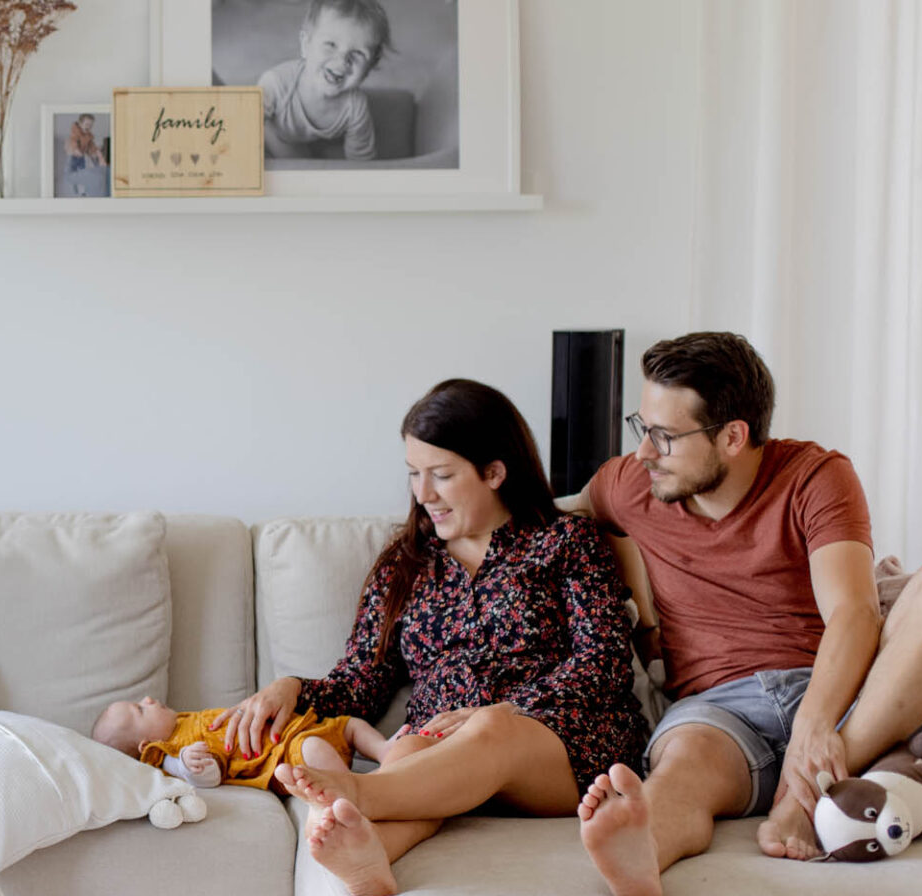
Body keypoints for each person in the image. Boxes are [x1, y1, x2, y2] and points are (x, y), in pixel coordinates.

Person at [564, 332, 922, 894]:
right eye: (642, 426)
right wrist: (645, 625)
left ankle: (805, 791)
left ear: (733, 436)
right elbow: (552, 520)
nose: (643, 452)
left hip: (842, 699)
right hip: (718, 710)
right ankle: (642, 847)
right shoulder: (631, 485)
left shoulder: (815, 475)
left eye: (664, 436)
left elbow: (853, 614)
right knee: (681, 771)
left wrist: (814, 726)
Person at [219, 379, 648, 896]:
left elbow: (603, 662)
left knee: (490, 728)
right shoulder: (405, 565)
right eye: (414, 475)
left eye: (441, 475)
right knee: (407, 751)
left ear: (494, 472)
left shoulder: (566, 544)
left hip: (557, 745)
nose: (423, 495)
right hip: (439, 756)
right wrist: (291, 687)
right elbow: (363, 682)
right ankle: (369, 859)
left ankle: (359, 791)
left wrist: (510, 708)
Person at [92, 694, 388, 791]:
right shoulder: (170, 754)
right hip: (286, 755)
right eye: (140, 710)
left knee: (351, 725)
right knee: (314, 750)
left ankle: (387, 752)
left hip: (304, 727)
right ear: (147, 746)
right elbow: (209, 776)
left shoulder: (181, 720)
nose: (148, 699)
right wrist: (189, 767)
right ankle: (356, 792)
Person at [257, 0, 389, 162]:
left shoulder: (355, 106)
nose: (342, 60)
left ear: (369, 68)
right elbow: (243, 131)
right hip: (275, 133)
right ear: (306, 45)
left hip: (308, 138)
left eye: (358, 53)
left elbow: (362, 161)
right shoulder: (276, 83)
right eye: (331, 45)